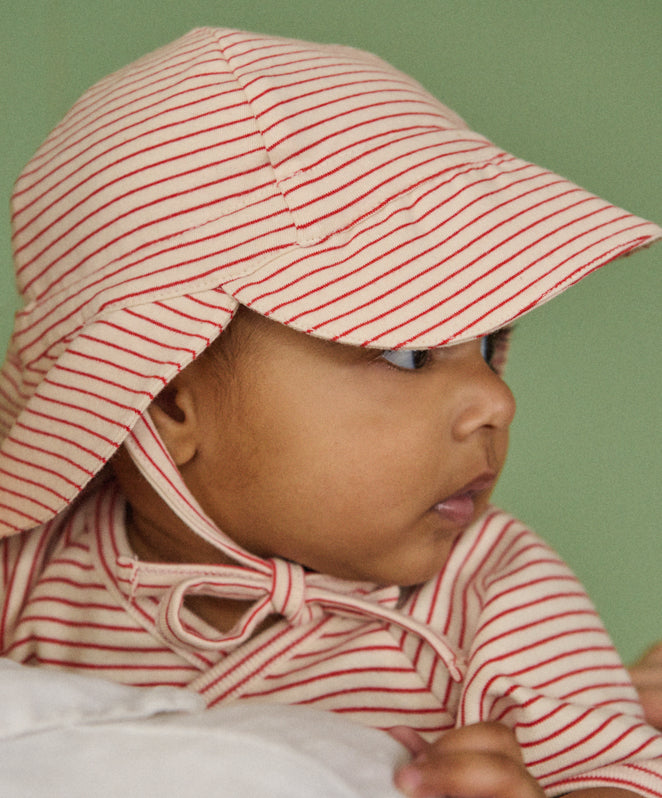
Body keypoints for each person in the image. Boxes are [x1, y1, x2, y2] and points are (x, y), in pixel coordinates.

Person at [0, 27, 660, 798]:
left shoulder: (492, 590)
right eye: (407, 352)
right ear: (169, 397)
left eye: (490, 345)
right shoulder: (36, 573)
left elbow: (618, 779)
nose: (496, 399)